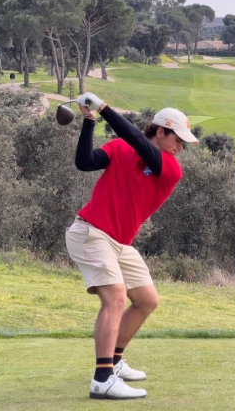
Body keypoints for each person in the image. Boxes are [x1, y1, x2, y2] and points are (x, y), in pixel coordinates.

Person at [65, 92, 198, 400]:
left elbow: (137, 140)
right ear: (161, 131)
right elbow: (84, 162)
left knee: (147, 300)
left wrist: (103, 107)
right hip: (90, 232)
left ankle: (114, 360)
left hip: (120, 243)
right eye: (178, 139)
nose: (181, 147)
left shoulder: (170, 168)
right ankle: (102, 379)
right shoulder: (120, 148)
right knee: (115, 298)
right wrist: (89, 119)